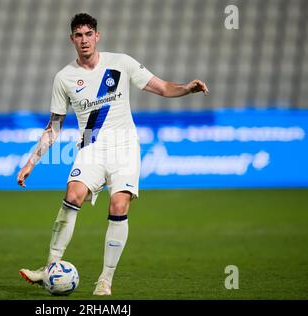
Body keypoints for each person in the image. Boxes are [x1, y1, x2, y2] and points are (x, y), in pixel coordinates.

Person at [17, 13, 208, 296]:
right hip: (90, 146)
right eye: (78, 35)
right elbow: (54, 127)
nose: (84, 40)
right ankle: (50, 267)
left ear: (97, 36)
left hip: (125, 147)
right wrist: (31, 162)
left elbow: (163, 87)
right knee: (73, 195)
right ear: (72, 40)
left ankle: (105, 280)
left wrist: (186, 89)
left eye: (88, 34)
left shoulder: (121, 63)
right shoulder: (64, 78)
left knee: (119, 206)